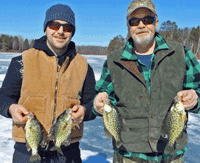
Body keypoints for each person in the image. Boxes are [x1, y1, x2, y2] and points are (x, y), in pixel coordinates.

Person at [93, 0, 200, 162]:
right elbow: (102, 98)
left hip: (171, 155)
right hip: (129, 155)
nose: (141, 25)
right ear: (128, 26)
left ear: (156, 23)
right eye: (134, 21)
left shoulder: (181, 53)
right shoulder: (114, 60)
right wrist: (97, 103)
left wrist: (195, 98)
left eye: (147, 20)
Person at [0, 4, 96, 163]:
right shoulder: (22, 61)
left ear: (72, 32)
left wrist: (85, 111)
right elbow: (3, 96)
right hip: (27, 149)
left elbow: (92, 104)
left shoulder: (84, 66)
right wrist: (11, 108)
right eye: (54, 25)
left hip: (68, 151)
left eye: (67, 27)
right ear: (46, 28)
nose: (60, 31)